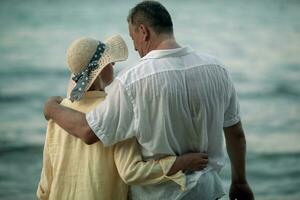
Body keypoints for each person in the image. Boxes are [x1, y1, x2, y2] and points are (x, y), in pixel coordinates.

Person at [43, 1, 254, 200]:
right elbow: (236, 134)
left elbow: (89, 132)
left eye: (132, 37)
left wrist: (51, 108)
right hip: (207, 193)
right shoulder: (217, 69)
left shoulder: (131, 81)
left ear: (143, 31)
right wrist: (240, 181)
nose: (134, 47)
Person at [37, 35, 209, 200]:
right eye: (110, 62)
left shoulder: (59, 112)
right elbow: (131, 172)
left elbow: (45, 183)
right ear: (101, 69)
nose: (113, 65)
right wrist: (181, 162)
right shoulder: (115, 108)